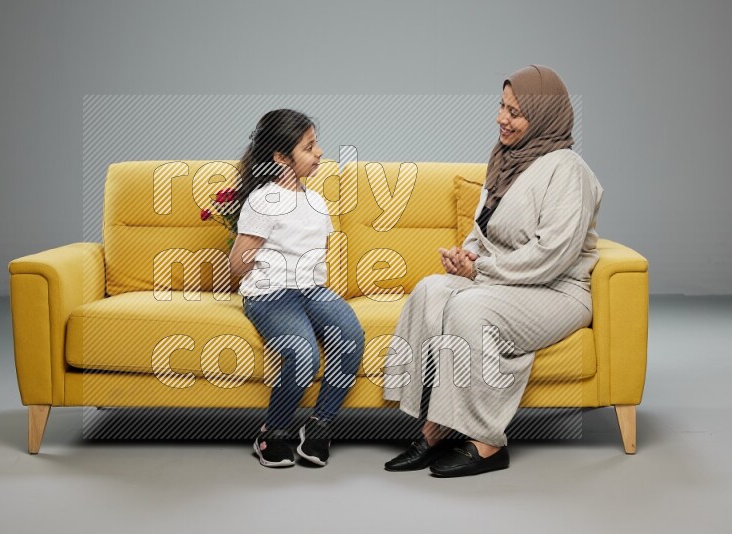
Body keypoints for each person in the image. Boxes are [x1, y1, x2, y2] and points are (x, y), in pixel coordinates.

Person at [382, 65, 604, 477]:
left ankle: (487, 442)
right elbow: (482, 231)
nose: (502, 118)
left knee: (471, 309)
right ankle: (436, 428)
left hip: (556, 291)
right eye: (502, 106)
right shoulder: (505, 159)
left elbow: (552, 255)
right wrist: (467, 258)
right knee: (431, 290)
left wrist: (480, 271)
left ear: (543, 117)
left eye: (515, 112)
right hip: (506, 282)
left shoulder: (568, 170)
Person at [229, 109, 365, 468]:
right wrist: (259, 253)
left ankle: (320, 426)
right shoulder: (263, 201)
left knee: (351, 336)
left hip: (311, 290)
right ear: (280, 157)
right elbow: (237, 266)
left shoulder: (317, 202)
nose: (319, 152)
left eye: (316, 144)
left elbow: (317, 256)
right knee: (303, 354)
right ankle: (271, 433)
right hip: (270, 294)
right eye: (308, 147)